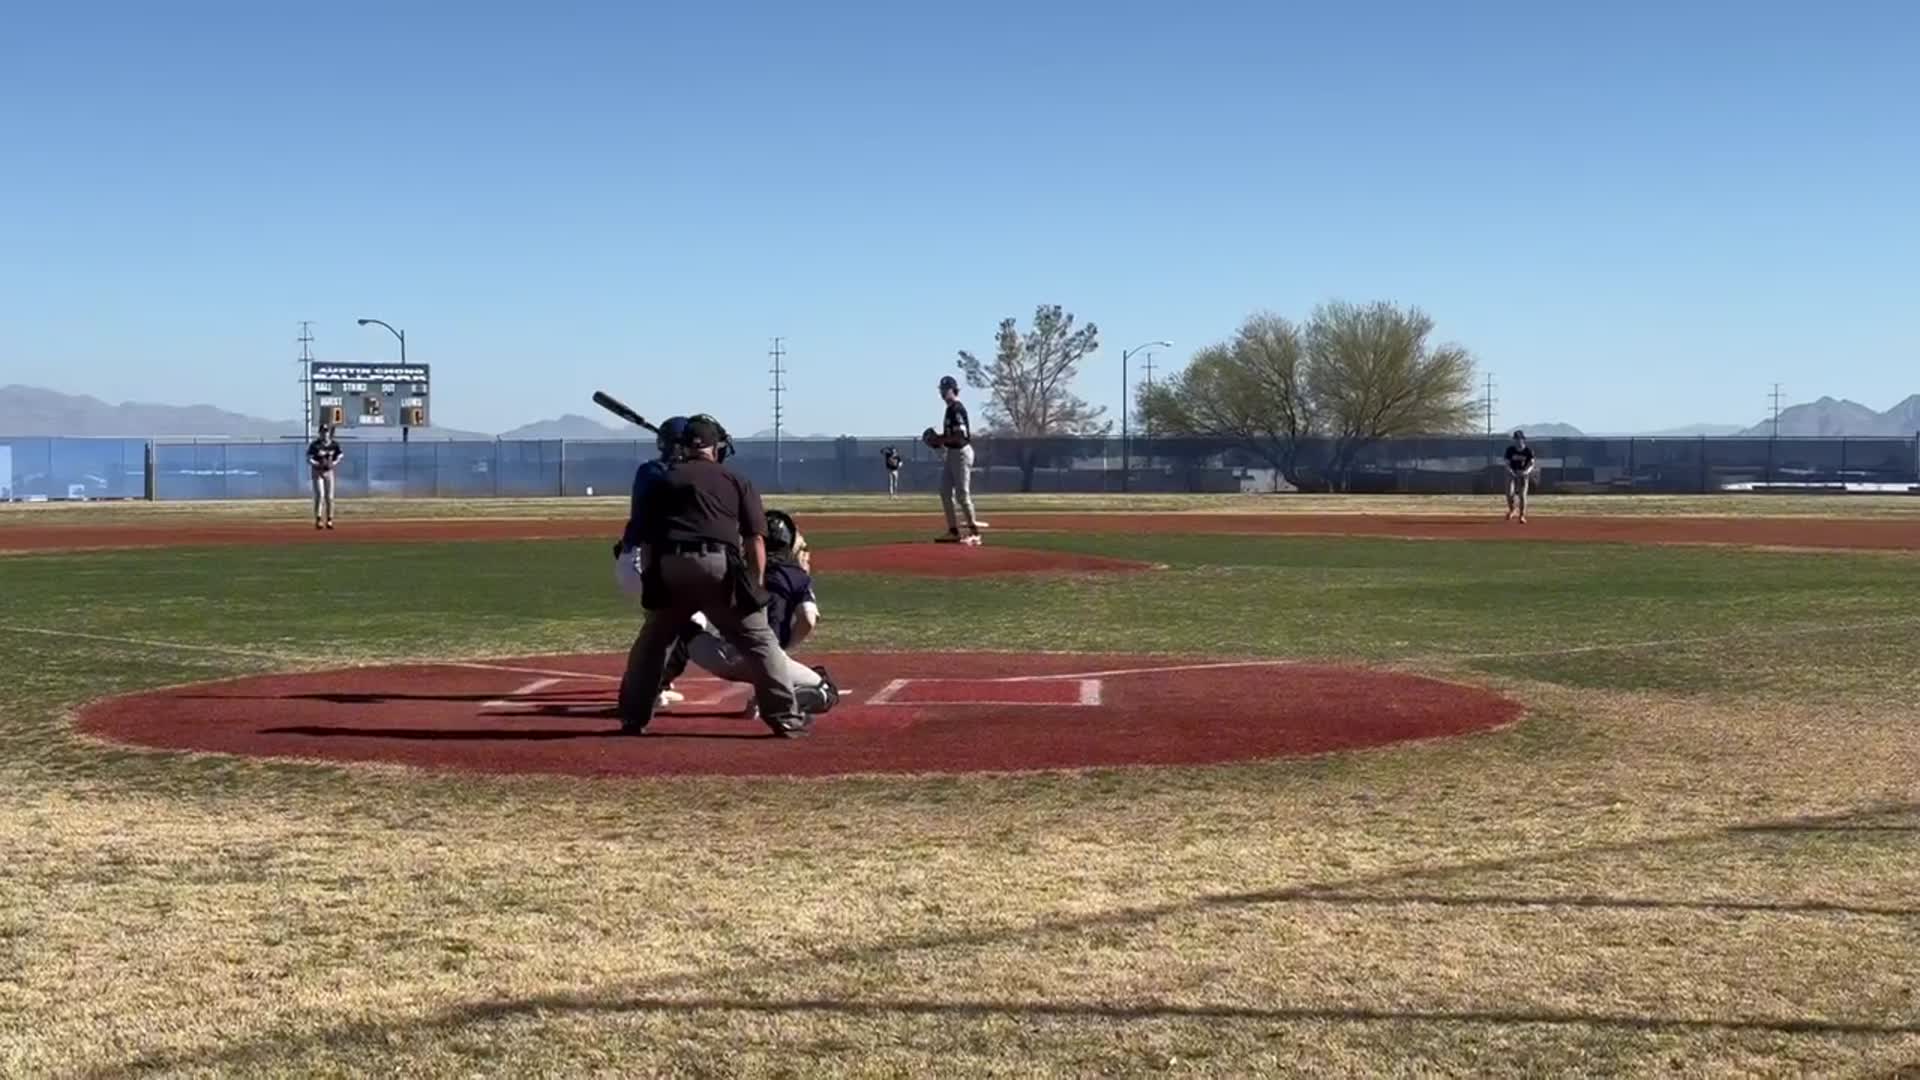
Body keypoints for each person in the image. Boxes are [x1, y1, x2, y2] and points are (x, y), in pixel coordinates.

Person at [615, 414, 810, 738]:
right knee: (760, 641)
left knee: (653, 643)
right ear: (714, 447)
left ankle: (633, 718)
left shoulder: (662, 479)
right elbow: (754, 540)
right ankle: (784, 717)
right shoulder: (736, 480)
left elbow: (648, 539)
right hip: (718, 567)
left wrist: (652, 578)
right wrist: (756, 584)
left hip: (670, 565)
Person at [675, 508, 839, 720]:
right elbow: (808, 619)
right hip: (763, 659)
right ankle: (772, 700)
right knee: (826, 691)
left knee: (681, 626)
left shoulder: (735, 570)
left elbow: (698, 612)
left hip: (714, 656)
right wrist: (783, 648)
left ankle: (654, 687)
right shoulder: (795, 576)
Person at [613, 416, 695, 710]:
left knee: (668, 622)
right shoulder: (654, 472)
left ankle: (655, 681)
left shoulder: (658, 469)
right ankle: (648, 687)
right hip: (641, 562)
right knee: (686, 622)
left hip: (644, 559)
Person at [929, 375, 984, 545]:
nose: (943, 392)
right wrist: (940, 439)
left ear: (954, 390)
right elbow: (950, 436)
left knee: (962, 494)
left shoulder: (956, 408)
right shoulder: (949, 409)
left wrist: (940, 440)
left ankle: (975, 532)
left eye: (946, 389)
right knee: (945, 491)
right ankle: (953, 531)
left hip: (961, 452)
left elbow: (960, 435)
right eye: (942, 389)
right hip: (953, 453)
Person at [306, 425, 343, 530]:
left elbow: (340, 455)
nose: (325, 434)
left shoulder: (334, 444)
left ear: (329, 433)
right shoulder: (315, 445)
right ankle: (318, 520)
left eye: (326, 432)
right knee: (320, 495)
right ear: (320, 433)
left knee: (330, 497)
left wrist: (334, 463)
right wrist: (317, 464)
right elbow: (309, 458)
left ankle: (330, 520)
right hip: (317, 471)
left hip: (329, 472)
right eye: (322, 432)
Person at [1504, 429, 1537, 523]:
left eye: (1519, 438)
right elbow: (1507, 463)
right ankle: (1512, 510)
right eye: (1515, 439)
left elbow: (1532, 464)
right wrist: (1511, 472)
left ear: (1523, 439)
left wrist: (1526, 472)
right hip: (1512, 473)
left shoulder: (1528, 451)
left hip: (1523, 474)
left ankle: (1522, 516)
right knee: (1509, 493)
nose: (1517, 441)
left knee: (1522, 496)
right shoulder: (1510, 450)